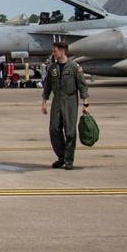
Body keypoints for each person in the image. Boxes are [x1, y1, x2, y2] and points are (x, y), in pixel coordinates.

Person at [42, 41, 90, 170]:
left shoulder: (74, 67)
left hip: (70, 100)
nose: (53, 53)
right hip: (57, 100)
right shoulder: (52, 68)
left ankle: (69, 160)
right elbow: (47, 86)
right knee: (54, 129)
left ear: (62, 51)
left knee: (70, 131)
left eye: (55, 51)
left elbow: (82, 86)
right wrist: (44, 102)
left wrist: (85, 104)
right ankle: (61, 156)